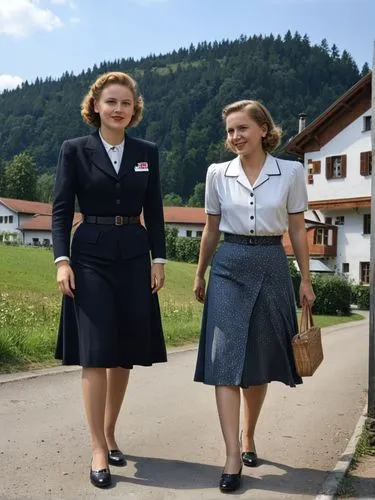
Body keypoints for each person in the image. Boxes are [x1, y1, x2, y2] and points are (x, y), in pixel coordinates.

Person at [193, 99, 315, 493]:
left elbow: (297, 231)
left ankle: (249, 435)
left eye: (242, 128)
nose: (234, 137)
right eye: (230, 130)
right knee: (224, 359)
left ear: (264, 129)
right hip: (228, 264)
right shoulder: (217, 173)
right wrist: (200, 272)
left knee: (258, 360)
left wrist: (306, 279)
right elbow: (210, 230)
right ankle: (231, 456)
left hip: (270, 263)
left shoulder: (291, 172)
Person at [52, 71, 167, 488]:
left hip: (135, 255)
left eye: (126, 103)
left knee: (123, 353)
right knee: (96, 352)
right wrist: (62, 261)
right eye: (111, 102)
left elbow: (153, 209)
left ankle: (111, 430)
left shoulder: (146, 151)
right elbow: (62, 208)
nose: (119, 109)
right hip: (90, 257)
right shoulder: (74, 150)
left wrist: (160, 260)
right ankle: (97, 447)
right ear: (95, 106)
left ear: (134, 109)